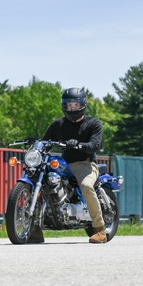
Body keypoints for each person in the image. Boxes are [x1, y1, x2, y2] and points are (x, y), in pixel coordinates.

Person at [36, 87, 107, 244]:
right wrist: (37, 146)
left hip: (86, 164)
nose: (71, 108)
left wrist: (80, 145)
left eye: (75, 105)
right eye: (68, 105)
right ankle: (34, 229)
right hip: (64, 165)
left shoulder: (93, 123)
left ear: (82, 105)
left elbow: (95, 145)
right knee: (42, 184)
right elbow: (45, 142)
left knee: (87, 186)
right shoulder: (58, 124)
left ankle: (100, 229)